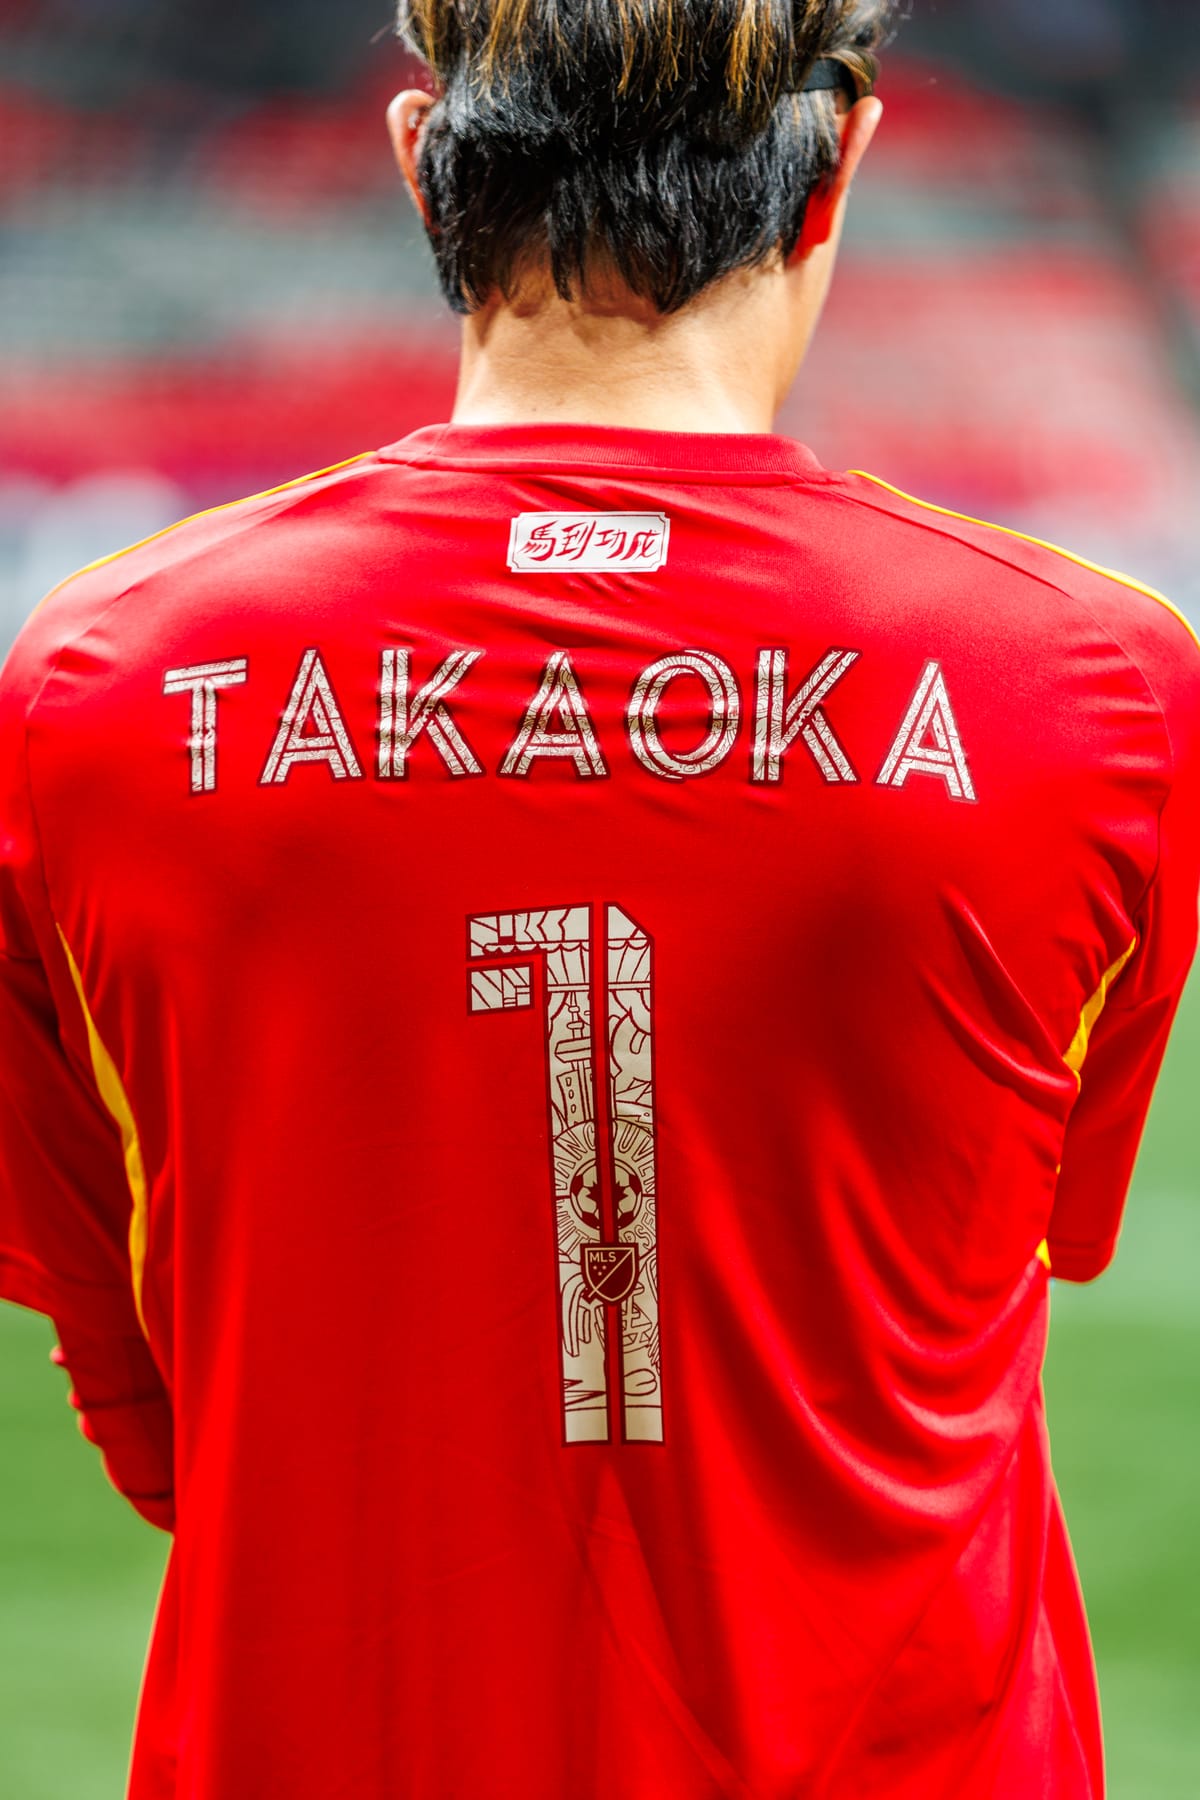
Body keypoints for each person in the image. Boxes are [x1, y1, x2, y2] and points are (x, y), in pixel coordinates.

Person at [1, 1, 1197, 1794]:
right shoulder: (1096, 694)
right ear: (837, 172)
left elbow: (150, 1394)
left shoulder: (92, 694)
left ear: (423, 163)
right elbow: (1016, 1238)